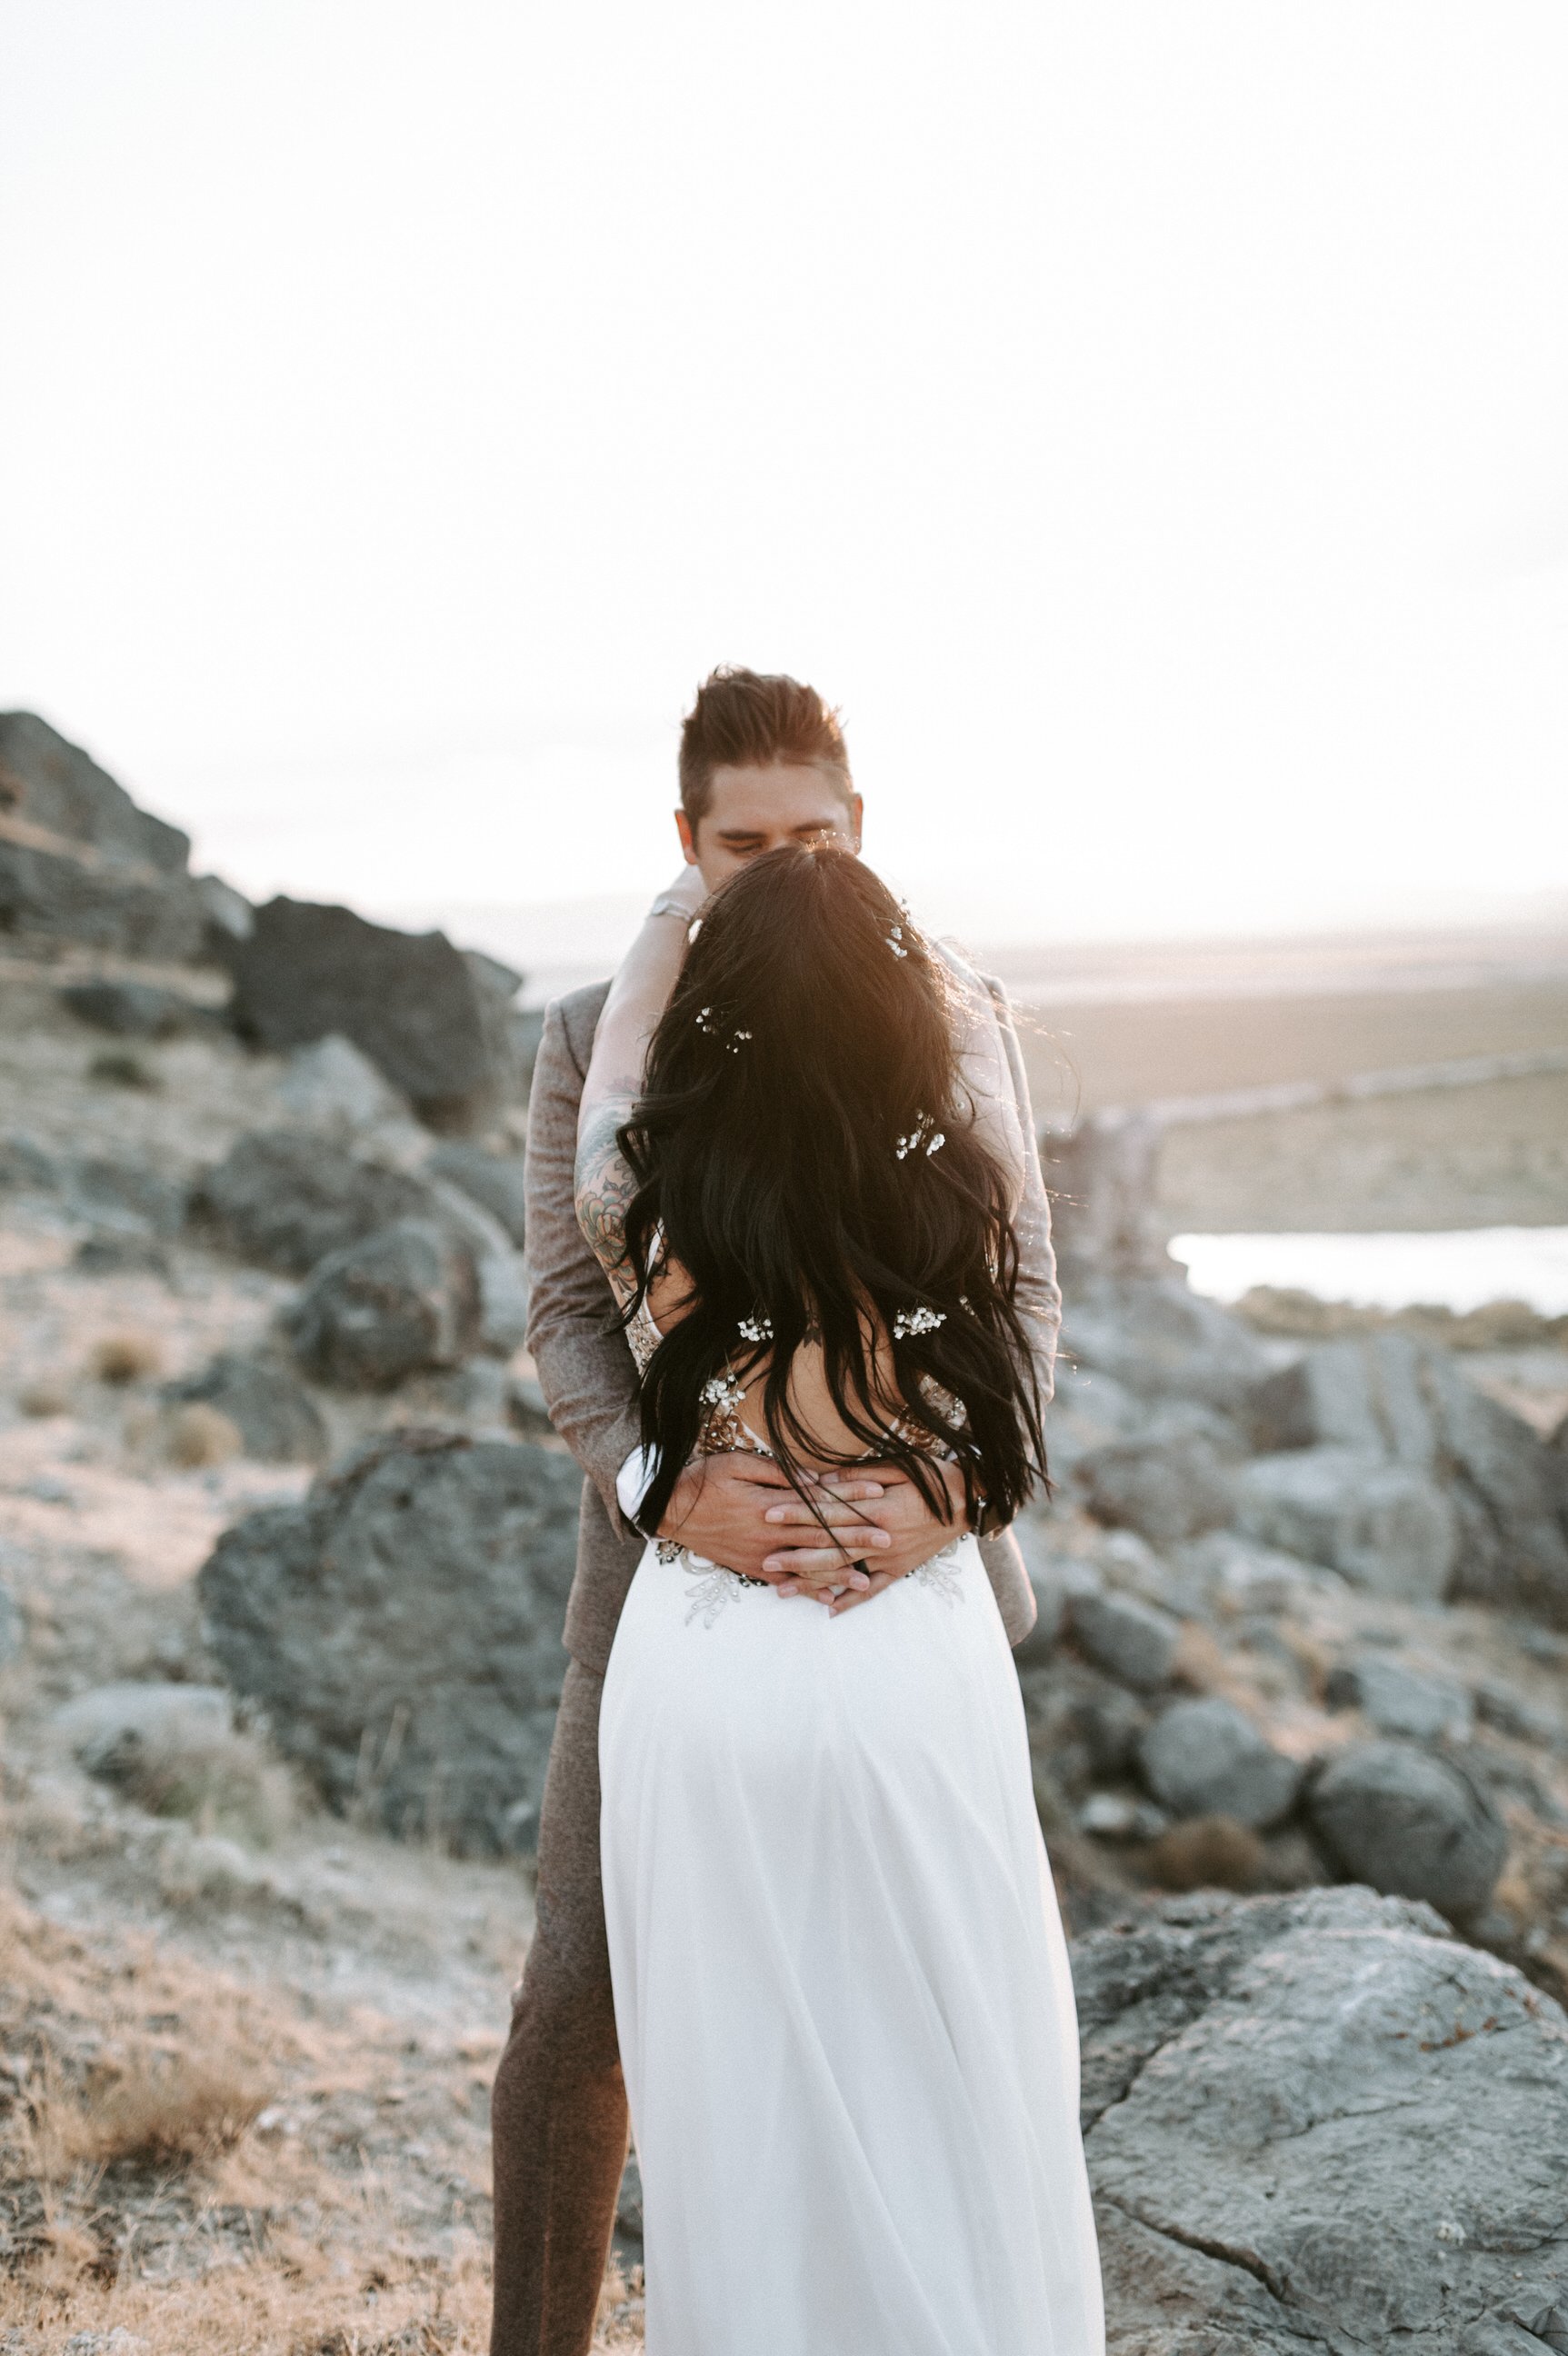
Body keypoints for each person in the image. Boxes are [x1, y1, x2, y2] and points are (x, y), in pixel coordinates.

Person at [489, 668, 1085, 2355]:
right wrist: (666, 1487)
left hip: (917, 1583)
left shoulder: (944, 1007)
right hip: (667, 1591)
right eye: (741, 843)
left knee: (927, 1997)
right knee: (581, 2010)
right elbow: (564, 1316)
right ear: (687, 841)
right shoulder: (582, 1029)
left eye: (808, 836)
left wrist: (954, 1497)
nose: (777, 866)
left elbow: (1024, 1291)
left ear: (861, 831)